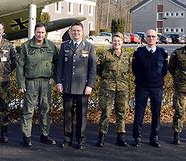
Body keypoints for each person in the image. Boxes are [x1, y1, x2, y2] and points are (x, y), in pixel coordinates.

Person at [16, 23, 59, 147]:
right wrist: (21, 84)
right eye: (38, 32)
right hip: (31, 82)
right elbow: (20, 66)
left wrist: (54, 77)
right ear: (34, 32)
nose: (40, 35)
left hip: (46, 83)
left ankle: (44, 135)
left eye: (42, 32)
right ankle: (27, 136)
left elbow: (57, 62)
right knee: (28, 110)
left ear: (45, 33)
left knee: (45, 109)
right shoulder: (26, 46)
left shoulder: (51, 46)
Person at [55, 22, 97, 150]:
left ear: (82, 32)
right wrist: (59, 82)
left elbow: (92, 68)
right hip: (67, 86)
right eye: (74, 31)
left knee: (81, 115)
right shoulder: (64, 46)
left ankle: (81, 140)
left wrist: (90, 85)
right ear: (70, 32)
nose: (76, 33)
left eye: (78, 31)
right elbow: (59, 66)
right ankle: (67, 138)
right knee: (67, 115)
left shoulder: (89, 47)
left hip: (82, 87)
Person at [131, 29, 168, 148]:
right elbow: (134, 69)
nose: (151, 38)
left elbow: (165, 70)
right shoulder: (139, 52)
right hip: (142, 87)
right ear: (145, 38)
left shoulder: (162, 52)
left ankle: (154, 138)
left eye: (153, 36)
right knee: (139, 113)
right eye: (149, 36)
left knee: (156, 114)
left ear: (157, 38)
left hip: (157, 88)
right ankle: (137, 137)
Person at [96, 32, 132, 147]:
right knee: (106, 112)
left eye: (119, 41)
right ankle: (102, 136)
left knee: (121, 113)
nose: (116, 43)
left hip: (122, 88)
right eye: (114, 41)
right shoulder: (106, 55)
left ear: (122, 42)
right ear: (112, 42)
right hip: (108, 88)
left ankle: (120, 137)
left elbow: (129, 71)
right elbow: (98, 69)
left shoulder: (127, 56)